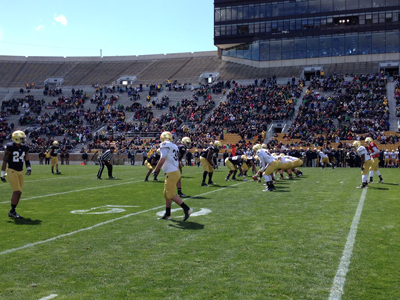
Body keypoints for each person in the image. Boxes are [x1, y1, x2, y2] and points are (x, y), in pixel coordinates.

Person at [153, 131, 192, 221]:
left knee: (170, 194)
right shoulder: (173, 146)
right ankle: (167, 214)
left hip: (172, 172)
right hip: (174, 171)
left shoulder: (165, 145)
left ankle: (187, 209)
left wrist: (156, 170)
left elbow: (162, 159)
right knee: (166, 194)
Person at [1, 130, 31, 219]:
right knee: (16, 190)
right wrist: (2, 174)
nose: (23, 140)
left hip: (20, 171)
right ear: (16, 138)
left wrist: (28, 168)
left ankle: (12, 211)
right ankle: (12, 211)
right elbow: (5, 160)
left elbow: (26, 158)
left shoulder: (25, 147)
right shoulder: (10, 147)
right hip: (12, 170)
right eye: (21, 139)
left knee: (20, 192)